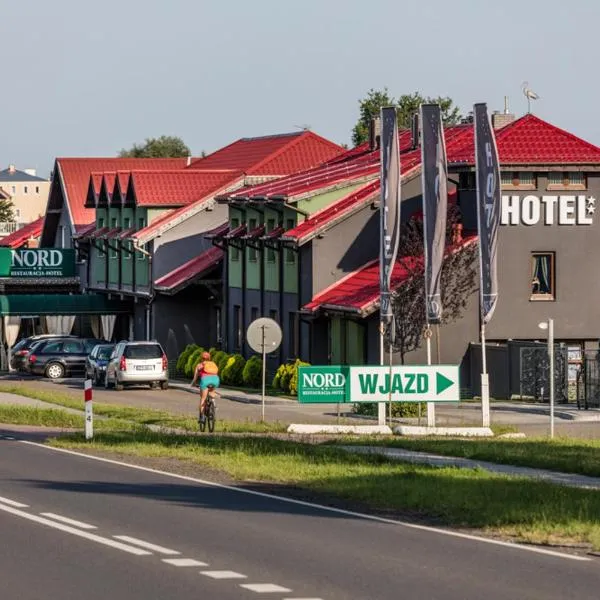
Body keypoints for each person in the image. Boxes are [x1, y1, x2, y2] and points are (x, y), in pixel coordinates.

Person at [190, 352, 220, 423]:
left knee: (203, 398)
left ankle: (202, 417)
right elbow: (215, 373)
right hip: (215, 380)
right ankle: (213, 404)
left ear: (201, 358)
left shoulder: (199, 365)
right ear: (209, 358)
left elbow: (195, 378)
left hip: (205, 380)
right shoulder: (213, 364)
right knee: (211, 393)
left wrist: (193, 384)